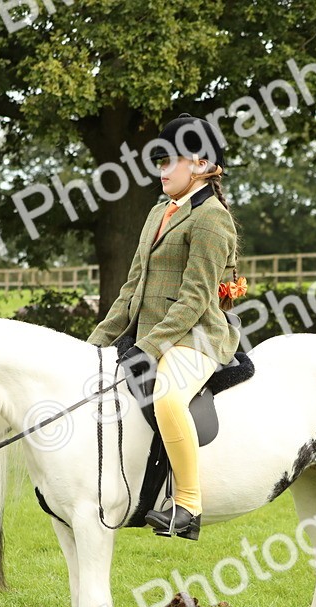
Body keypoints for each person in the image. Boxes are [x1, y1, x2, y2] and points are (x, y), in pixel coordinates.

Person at [88, 113, 241, 541]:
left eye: (168, 159)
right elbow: (132, 290)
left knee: (168, 396)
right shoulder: (159, 211)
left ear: (199, 162)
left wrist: (151, 346)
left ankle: (188, 506)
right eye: (158, 159)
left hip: (197, 336)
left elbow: (194, 299)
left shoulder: (212, 218)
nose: (161, 168)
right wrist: (95, 344)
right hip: (156, 334)